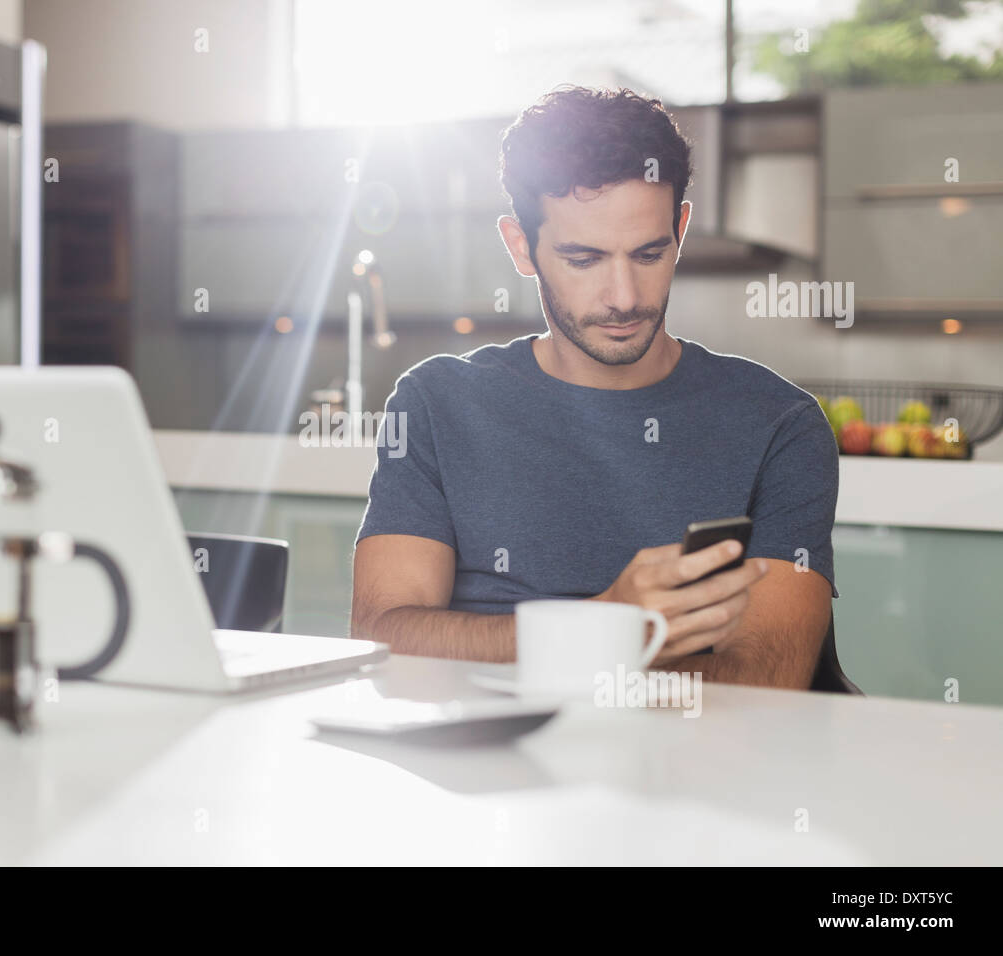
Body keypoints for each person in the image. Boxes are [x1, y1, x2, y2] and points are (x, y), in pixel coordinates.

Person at [350, 86, 838, 688]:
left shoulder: (778, 423)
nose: (625, 297)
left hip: (688, 769)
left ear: (681, 230)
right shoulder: (436, 404)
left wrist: (546, 648)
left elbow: (766, 683)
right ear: (520, 246)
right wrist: (606, 626)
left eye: (649, 253)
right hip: (480, 764)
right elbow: (385, 638)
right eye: (584, 259)